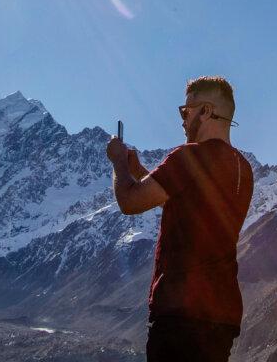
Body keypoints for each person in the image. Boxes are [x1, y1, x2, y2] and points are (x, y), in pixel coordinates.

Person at [105, 76, 254, 362]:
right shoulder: (242, 168)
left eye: (186, 111)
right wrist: (140, 172)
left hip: (181, 314)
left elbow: (130, 201)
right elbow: (188, 208)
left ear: (206, 111)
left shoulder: (191, 157)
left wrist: (118, 164)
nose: (183, 121)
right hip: (220, 316)